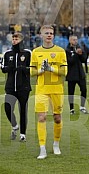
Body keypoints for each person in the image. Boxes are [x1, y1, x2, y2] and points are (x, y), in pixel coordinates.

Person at [30, 25, 67, 159]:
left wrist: (51, 69)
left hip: (57, 89)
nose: (49, 35)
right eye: (46, 33)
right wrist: (41, 70)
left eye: (51, 33)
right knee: (42, 117)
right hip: (41, 90)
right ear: (41, 35)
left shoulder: (60, 51)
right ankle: (42, 149)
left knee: (57, 118)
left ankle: (56, 144)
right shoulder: (35, 52)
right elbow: (31, 71)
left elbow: (64, 71)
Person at [1, 32, 31, 142]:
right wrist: (10, 67)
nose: (14, 40)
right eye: (13, 38)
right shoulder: (7, 54)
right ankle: (14, 126)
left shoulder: (27, 53)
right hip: (10, 87)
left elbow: (32, 68)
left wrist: (23, 68)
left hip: (23, 87)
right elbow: (3, 68)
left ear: (21, 40)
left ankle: (23, 134)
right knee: (7, 108)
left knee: (23, 110)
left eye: (16, 38)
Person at [65, 35, 89, 115]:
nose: (75, 41)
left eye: (76, 39)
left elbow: (84, 59)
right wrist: (75, 54)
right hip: (71, 74)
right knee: (71, 92)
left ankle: (82, 107)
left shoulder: (80, 48)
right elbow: (70, 61)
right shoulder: (67, 50)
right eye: (74, 40)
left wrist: (81, 53)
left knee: (84, 89)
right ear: (70, 41)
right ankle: (71, 109)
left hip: (80, 74)